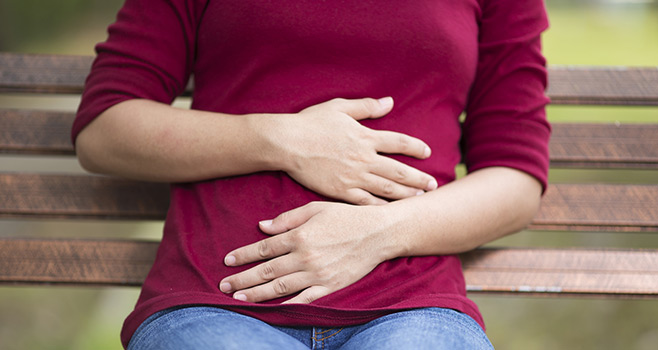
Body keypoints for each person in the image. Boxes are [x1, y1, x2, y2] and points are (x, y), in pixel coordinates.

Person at [72, 0, 550, 349]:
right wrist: (282, 141)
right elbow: (106, 128)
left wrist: (380, 232)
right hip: (215, 303)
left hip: (413, 308)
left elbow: (515, 177)